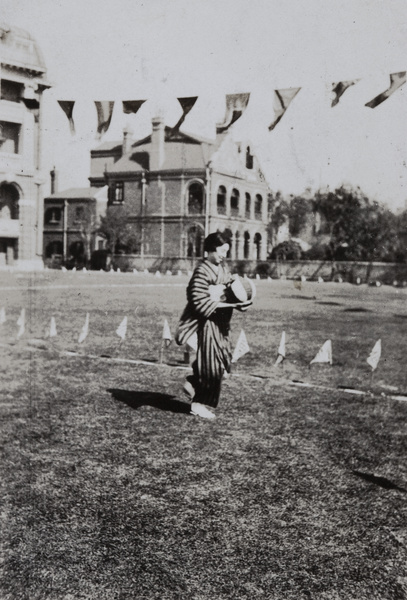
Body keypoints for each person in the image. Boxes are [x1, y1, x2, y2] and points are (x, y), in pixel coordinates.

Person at [176, 232, 251, 419]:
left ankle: (193, 383)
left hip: (221, 324)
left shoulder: (223, 270)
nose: (223, 255)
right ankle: (198, 404)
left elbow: (231, 293)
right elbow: (196, 298)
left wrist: (241, 301)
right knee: (211, 364)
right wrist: (218, 299)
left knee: (224, 364)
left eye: (226, 252)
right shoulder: (202, 270)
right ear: (209, 249)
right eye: (221, 251)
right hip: (207, 322)